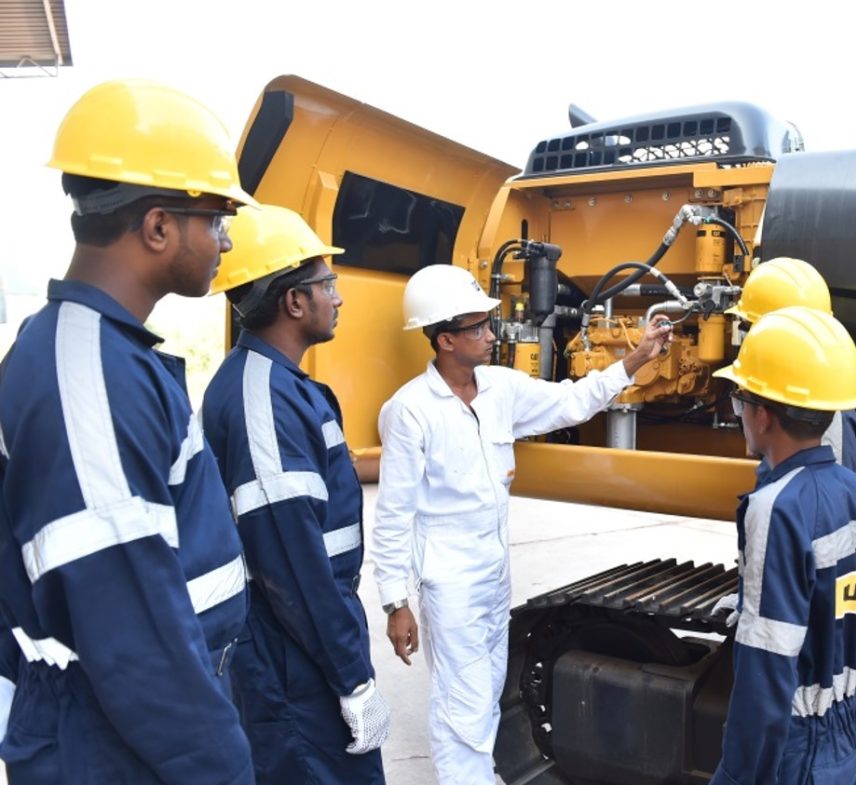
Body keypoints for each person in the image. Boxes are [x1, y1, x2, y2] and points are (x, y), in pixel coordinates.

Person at [0, 79, 257, 784]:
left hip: (123, 729)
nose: (226, 240)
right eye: (217, 218)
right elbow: (133, 637)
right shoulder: (88, 375)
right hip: (117, 745)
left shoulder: (100, 355)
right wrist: (224, 771)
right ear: (158, 227)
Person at [371, 263, 672, 784]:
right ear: (445, 339)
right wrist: (396, 602)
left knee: (487, 694)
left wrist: (637, 358)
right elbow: (393, 514)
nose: (492, 335)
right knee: (461, 709)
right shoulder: (410, 411)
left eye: (488, 323)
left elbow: (572, 402)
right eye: (477, 327)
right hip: (450, 586)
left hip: (493, 576)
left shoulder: (501, 389)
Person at [201, 204, 389, 783]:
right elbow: (292, 564)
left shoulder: (281, 386)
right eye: (327, 284)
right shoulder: (262, 397)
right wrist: (351, 679)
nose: (338, 297)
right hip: (292, 659)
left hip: (307, 644)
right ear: (294, 302)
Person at [709, 306, 856, 785]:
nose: (738, 414)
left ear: (763, 415)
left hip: (796, 757)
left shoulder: (776, 508)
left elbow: (767, 669)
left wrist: (738, 777)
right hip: (845, 743)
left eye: (740, 401)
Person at [727, 256, 856, 474]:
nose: (750, 338)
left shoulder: (821, 414)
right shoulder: (804, 399)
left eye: (749, 327)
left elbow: (819, 493)